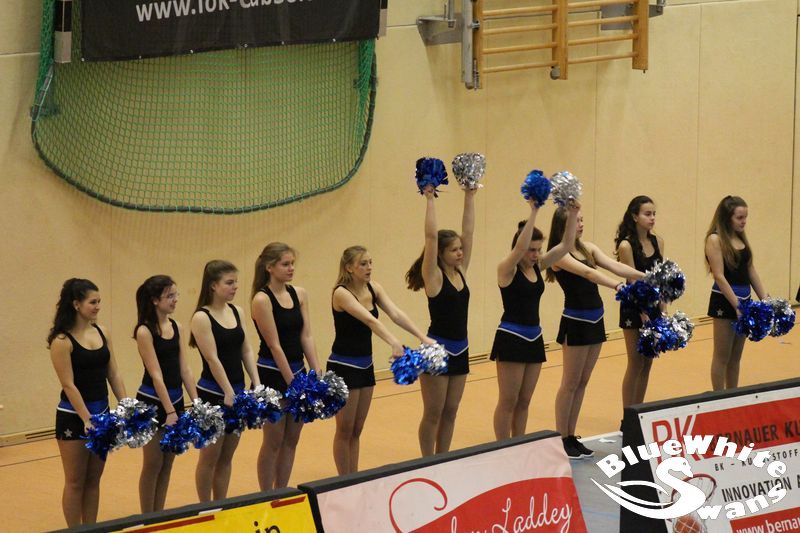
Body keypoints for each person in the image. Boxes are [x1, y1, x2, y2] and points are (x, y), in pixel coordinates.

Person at [546, 208, 644, 459]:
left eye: (581, 219)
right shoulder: (558, 254)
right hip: (576, 321)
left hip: (595, 319)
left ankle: (571, 435)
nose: (580, 224)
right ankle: (562, 438)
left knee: (582, 382)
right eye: (575, 220)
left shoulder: (588, 248)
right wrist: (617, 285)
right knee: (570, 382)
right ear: (562, 225)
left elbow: (615, 266)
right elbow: (588, 273)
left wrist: (646, 276)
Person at [328, 245, 434, 474]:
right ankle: (343, 479)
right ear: (349, 268)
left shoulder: (374, 288)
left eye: (370, 262)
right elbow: (370, 320)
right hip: (344, 365)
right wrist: (393, 342)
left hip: (365, 365)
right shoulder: (341, 293)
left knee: (357, 428)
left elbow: (396, 314)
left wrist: (422, 336)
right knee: (345, 429)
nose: (369, 267)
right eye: (363, 264)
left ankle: (353, 475)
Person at [491, 199, 580, 440]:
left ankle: (519, 443)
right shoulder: (507, 269)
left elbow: (566, 245)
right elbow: (518, 249)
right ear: (520, 248)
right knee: (508, 400)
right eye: (532, 250)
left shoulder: (537, 266)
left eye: (539, 249)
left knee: (524, 400)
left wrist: (573, 214)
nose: (536, 254)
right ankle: (502, 447)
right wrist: (534, 211)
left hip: (534, 338)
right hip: (511, 338)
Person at [48, 278, 127, 526]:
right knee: (75, 481)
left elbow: (113, 373)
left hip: (102, 413)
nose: (97, 306)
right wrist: (86, 418)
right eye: (93, 302)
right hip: (74, 417)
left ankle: (92, 528)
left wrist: (126, 406)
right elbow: (68, 384)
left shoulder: (103, 332)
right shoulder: (62, 341)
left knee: (94, 479)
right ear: (76, 304)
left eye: (99, 301)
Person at [405, 185, 476, 456]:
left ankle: (444, 458)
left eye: (460, 249)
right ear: (440, 253)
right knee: (433, 413)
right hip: (437, 349)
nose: (460, 253)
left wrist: (470, 195)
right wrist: (430, 199)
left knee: (451, 411)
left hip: (461, 348)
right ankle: (427, 460)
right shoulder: (433, 277)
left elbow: (468, 232)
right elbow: (431, 236)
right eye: (454, 250)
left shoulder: (462, 271)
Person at [251, 243, 321, 490]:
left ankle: (282, 490)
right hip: (273, 373)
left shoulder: (299, 294)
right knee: (274, 440)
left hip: (298, 370)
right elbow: (274, 345)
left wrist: (315, 372)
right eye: (285, 264)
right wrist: (292, 381)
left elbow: (306, 335)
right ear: (269, 267)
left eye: (292, 264)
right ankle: (265, 494)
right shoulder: (262, 299)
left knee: (292, 439)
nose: (291, 268)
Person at [190, 260, 260, 501]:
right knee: (210, 456)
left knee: (227, 455)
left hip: (237, 392)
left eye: (236, 282)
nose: (235, 287)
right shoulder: (202, 317)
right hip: (213, 393)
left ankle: (221, 503)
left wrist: (256, 381)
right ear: (213, 286)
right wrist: (227, 391)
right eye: (229, 283)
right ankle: (205, 507)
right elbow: (212, 358)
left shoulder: (236, 311)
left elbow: (246, 349)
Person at [134, 275, 198, 513]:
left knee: (168, 462)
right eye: (169, 296)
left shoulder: (177, 327)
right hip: (152, 402)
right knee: (153, 463)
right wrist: (169, 411)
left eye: (176, 295)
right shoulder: (144, 331)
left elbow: (185, 369)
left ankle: (159, 515)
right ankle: (147, 518)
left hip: (176, 399)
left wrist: (197, 403)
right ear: (154, 300)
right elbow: (156, 374)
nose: (175, 300)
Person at [705, 196, 767, 390]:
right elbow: (719, 276)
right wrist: (737, 305)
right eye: (739, 217)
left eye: (745, 217)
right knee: (722, 356)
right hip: (725, 300)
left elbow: (750, 270)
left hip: (744, 301)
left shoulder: (740, 238)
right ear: (727, 217)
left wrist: (765, 299)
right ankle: (719, 399)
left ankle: (733, 396)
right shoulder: (715, 239)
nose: (743, 221)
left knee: (735, 357)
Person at [614, 196, 664, 412]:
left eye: (654, 214)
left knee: (648, 362)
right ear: (635, 216)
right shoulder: (626, 246)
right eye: (647, 214)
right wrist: (643, 312)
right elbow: (632, 281)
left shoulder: (658, 241)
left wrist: (662, 308)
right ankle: (628, 415)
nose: (652, 218)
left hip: (653, 306)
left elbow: (661, 278)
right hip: (633, 306)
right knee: (635, 362)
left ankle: (639, 412)